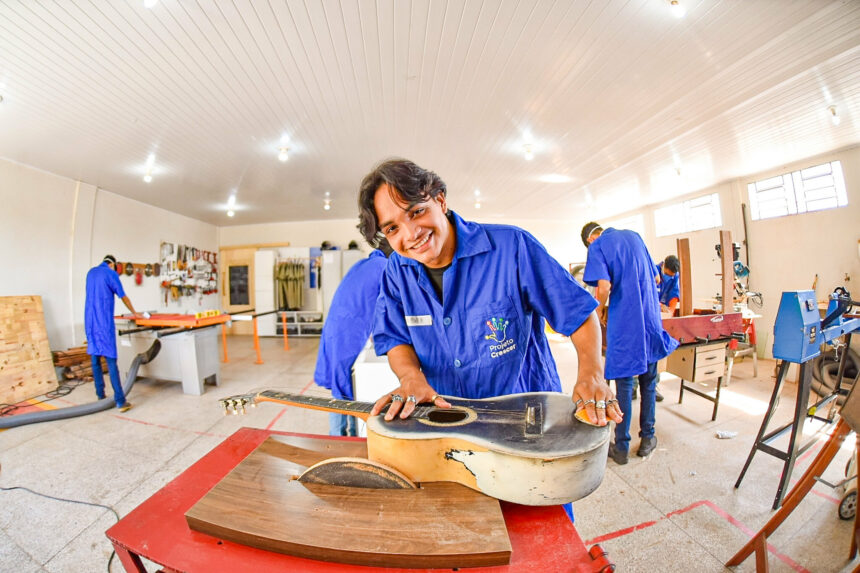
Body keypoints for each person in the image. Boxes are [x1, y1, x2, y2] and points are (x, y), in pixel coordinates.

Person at [580, 223, 679, 465]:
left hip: (625, 323)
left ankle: (622, 447)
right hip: (650, 320)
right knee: (648, 382)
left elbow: (603, 287)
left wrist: (598, 311)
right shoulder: (635, 236)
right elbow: (656, 277)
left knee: (624, 385)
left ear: (590, 239)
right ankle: (648, 439)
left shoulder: (598, 246)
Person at [313, 241, 392, 436]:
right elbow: (386, 306)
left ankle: (344, 435)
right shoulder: (384, 267)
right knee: (348, 389)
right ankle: (341, 439)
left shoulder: (361, 264)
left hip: (335, 329)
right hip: (349, 334)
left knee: (342, 386)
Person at [84, 255, 139, 412]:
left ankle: (100, 395)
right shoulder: (110, 273)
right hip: (103, 323)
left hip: (90, 321)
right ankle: (121, 401)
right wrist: (135, 313)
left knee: (95, 359)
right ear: (112, 265)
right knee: (111, 361)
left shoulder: (91, 273)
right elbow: (123, 296)